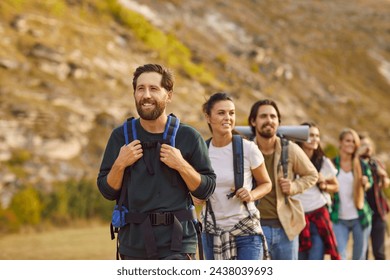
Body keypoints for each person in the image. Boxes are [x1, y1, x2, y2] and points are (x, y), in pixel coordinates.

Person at [97, 64, 216, 260]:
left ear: (169, 95)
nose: (146, 95)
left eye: (154, 89)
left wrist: (181, 164)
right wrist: (120, 164)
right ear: (134, 93)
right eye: (140, 89)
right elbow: (107, 191)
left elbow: (206, 189)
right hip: (133, 245)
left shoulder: (188, 136)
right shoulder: (120, 137)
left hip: (178, 244)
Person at [195, 92, 272, 260]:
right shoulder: (201, 152)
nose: (228, 117)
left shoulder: (248, 148)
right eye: (221, 113)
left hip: (246, 231)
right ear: (208, 117)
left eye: (231, 113)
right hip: (211, 233)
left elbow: (266, 183)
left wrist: (251, 194)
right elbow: (193, 190)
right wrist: (195, 197)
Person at [247, 99, 318, 260]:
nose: (269, 120)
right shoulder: (245, 150)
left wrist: (293, 186)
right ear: (253, 121)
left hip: (286, 229)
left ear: (278, 122)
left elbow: (312, 174)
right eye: (263, 116)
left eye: (273, 116)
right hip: (253, 228)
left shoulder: (289, 149)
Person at [293, 122, 341, 260]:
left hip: (318, 216)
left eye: (317, 136)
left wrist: (324, 184)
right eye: (311, 135)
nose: (315, 139)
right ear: (301, 138)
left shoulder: (322, 161)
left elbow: (336, 186)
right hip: (297, 218)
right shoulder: (291, 159)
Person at [330, 128, 372, 260]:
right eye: (348, 140)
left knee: (358, 259)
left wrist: (365, 182)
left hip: (360, 217)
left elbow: (369, 181)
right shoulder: (332, 163)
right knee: (339, 257)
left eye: (354, 142)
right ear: (340, 143)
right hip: (339, 219)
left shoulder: (361, 164)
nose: (351, 144)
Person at [358, 133, 389, 260]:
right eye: (364, 145)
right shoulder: (355, 164)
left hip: (378, 212)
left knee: (379, 252)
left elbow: (386, 184)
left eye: (369, 144)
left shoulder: (376, 163)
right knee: (363, 252)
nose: (367, 148)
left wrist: (383, 176)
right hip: (361, 213)